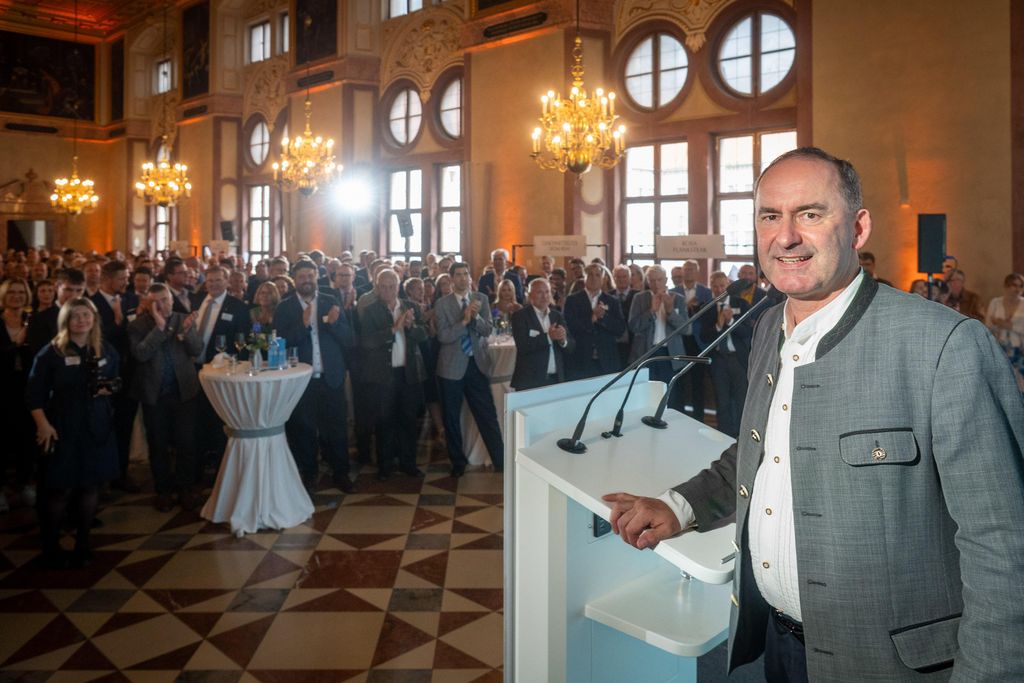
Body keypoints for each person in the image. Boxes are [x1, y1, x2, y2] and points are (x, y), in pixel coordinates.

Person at [603, 148, 1024, 681]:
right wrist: (678, 506)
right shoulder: (767, 329)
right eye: (770, 216)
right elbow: (764, 451)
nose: (786, 237)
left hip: (891, 667)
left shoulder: (944, 345)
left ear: (858, 228)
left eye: (810, 213)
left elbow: (1003, 545)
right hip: (779, 648)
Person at [26, 298, 121, 568]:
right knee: (59, 488)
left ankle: (83, 544)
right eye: (75, 315)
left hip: (96, 425)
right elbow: (33, 394)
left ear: (94, 318)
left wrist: (109, 388)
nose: (81, 320)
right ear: (66, 320)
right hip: (62, 425)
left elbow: (116, 379)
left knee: (90, 486)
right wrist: (43, 424)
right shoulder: (52, 352)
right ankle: (51, 546)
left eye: (86, 315)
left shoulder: (104, 348)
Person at [273, 260, 356, 493]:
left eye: (310, 276)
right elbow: (280, 343)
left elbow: (348, 338)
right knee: (304, 428)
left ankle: (341, 473)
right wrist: (303, 325)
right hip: (301, 381)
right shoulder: (285, 307)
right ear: (294, 280)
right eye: (302, 277)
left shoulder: (330, 301)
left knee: (337, 428)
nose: (307, 281)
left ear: (316, 277)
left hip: (331, 376)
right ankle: (309, 474)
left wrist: (335, 323)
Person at [127, 284, 203, 512]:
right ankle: (163, 491)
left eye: (165, 299)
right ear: (148, 304)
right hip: (155, 394)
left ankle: (185, 487)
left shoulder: (183, 319)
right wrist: (159, 329)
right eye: (156, 302)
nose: (161, 305)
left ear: (172, 299)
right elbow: (141, 354)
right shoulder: (137, 325)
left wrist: (188, 333)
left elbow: (196, 350)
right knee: (158, 445)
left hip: (184, 392)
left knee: (186, 443)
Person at [356, 269, 428, 479]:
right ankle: (385, 466)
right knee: (384, 421)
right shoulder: (370, 311)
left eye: (391, 286)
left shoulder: (411, 307)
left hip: (408, 374)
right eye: (383, 287)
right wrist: (392, 330)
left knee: (408, 420)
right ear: (377, 288)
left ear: (398, 287)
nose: (387, 290)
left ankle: (408, 463)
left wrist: (411, 326)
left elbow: (424, 335)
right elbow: (367, 342)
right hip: (383, 375)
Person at [435, 262, 504, 476]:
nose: (463, 278)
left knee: (487, 414)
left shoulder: (480, 299)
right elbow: (443, 336)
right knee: (451, 417)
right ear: (451, 279)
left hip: (477, 365)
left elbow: (487, 330)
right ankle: (458, 462)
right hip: (451, 368)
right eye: (458, 275)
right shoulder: (442, 304)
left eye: (466, 274)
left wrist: (476, 317)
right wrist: (463, 321)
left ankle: (500, 459)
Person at [699, 271, 753, 437]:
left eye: (722, 286)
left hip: (738, 359)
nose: (719, 289)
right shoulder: (707, 307)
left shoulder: (741, 304)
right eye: (715, 286)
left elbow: (747, 332)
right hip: (718, 360)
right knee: (722, 401)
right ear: (711, 287)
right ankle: (724, 436)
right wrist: (718, 325)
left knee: (741, 400)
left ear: (728, 285)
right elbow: (704, 336)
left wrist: (730, 322)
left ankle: (742, 437)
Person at [1, 278, 36, 511]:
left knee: (26, 437)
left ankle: (26, 484)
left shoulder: (32, 321)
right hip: (3, 388)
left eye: (21, 292)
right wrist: (15, 344)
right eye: (11, 292)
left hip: (27, 387)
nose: (16, 296)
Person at [627, 265, 689, 391]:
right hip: (646, 352)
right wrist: (651, 311)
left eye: (659, 280)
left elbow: (686, 329)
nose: (656, 284)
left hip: (669, 354)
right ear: (648, 281)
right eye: (652, 280)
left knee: (668, 394)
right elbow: (633, 326)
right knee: (645, 393)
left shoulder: (678, 299)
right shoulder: (639, 298)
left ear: (666, 280)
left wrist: (670, 311)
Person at [563, 263, 626, 379]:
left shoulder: (612, 301)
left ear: (603, 279)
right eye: (590, 275)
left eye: (597, 275)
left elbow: (620, 329)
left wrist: (603, 317)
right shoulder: (573, 300)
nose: (594, 278)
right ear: (584, 277)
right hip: (581, 358)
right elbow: (570, 327)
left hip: (607, 360)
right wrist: (592, 319)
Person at [510, 278, 573, 390]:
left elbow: (571, 346)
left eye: (547, 292)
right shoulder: (520, 316)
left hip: (556, 380)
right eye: (539, 292)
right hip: (530, 382)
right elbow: (523, 346)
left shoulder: (557, 316)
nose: (544, 296)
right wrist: (548, 337)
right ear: (530, 295)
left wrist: (563, 340)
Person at [670, 259, 712, 422]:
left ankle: (698, 418)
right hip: (679, 341)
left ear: (697, 272)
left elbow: (709, 316)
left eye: (691, 269)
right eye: (685, 269)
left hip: (698, 341)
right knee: (678, 380)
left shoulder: (705, 292)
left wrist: (695, 308)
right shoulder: (673, 292)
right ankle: (677, 416)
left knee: (697, 382)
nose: (688, 272)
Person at [27, 268, 86, 357]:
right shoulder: (38, 320)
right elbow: (40, 354)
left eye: (79, 290)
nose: (74, 295)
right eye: (68, 290)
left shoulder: (90, 316)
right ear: (57, 286)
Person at [985, 272, 1024, 390]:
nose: (1017, 289)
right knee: (1001, 385)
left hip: (1019, 350)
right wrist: (999, 325)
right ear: (1006, 286)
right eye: (1014, 285)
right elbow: (988, 326)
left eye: (1020, 286)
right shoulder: (995, 302)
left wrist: (1003, 324)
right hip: (999, 348)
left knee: (1019, 387)